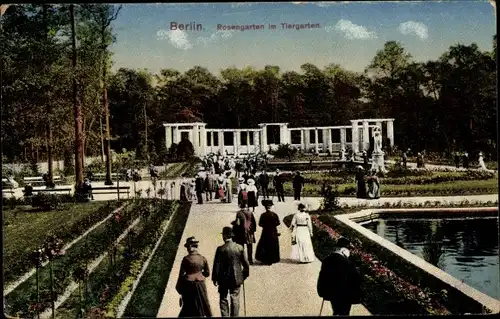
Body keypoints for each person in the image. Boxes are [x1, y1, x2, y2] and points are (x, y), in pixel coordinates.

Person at [317, 237, 362, 316]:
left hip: (331, 293)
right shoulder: (348, 263)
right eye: (348, 251)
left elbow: (322, 277)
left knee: (336, 310)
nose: (349, 254)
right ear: (343, 250)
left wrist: (322, 291)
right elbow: (357, 279)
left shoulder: (327, 260)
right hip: (345, 295)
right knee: (344, 313)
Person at [212, 227, 250, 317]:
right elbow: (246, 264)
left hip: (223, 279)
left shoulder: (220, 249)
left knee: (223, 298)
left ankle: (225, 316)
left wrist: (215, 278)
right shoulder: (239, 248)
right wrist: (244, 275)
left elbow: (216, 265)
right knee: (235, 298)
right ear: (231, 236)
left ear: (225, 236)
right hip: (236, 278)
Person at [176, 237, 213, 317]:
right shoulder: (203, 259)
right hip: (200, 284)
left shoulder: (186, 259)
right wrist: (200, 275)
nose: (187, 249)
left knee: (188, 306)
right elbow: (207, 273)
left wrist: (179, 288)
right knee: (204, 304)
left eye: (187, 247)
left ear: (190, 246)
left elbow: (181, 275)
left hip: (188, 285)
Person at [255, 200, 281, 265]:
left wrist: (266, 225)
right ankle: (272, 259)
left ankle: (265, 259)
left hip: (265, 231)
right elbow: (278, 223)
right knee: (273, 245)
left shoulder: (263, 215)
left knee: (265, 245)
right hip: (273, 231)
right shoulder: (274, 215)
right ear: (270, 207)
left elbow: (260, 224)